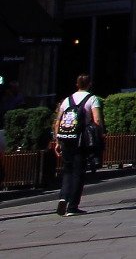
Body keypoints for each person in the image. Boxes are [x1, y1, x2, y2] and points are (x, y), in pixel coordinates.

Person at [51, 73, 102, 217]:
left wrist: (57, 141)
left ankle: (63, 197)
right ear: (89, 84)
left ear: (77, 84)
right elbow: (97, 120)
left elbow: (58, 121)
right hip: (81, 140)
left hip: (66, 138)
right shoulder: (92, 99)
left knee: (67, 170)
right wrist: (98, 136)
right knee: (78, 172)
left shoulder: (67, 100)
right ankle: (72, 206)